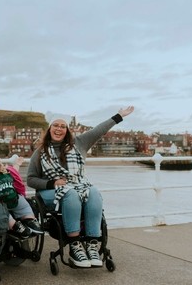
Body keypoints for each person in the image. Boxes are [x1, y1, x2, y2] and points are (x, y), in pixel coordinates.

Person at [27, 106, 135, 268]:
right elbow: (31, 179)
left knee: (93, 192)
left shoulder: (79, 143)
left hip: (78, 185)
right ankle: (74, 245)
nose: (59, 129)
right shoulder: (40, 152)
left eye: (63, 126)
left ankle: (92, 243)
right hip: (50, 192)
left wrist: (119, 116)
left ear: (67, 130)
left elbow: (99, 130)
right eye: (56, 125)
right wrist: (52, 183)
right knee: (70, 193)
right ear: (49, 128)